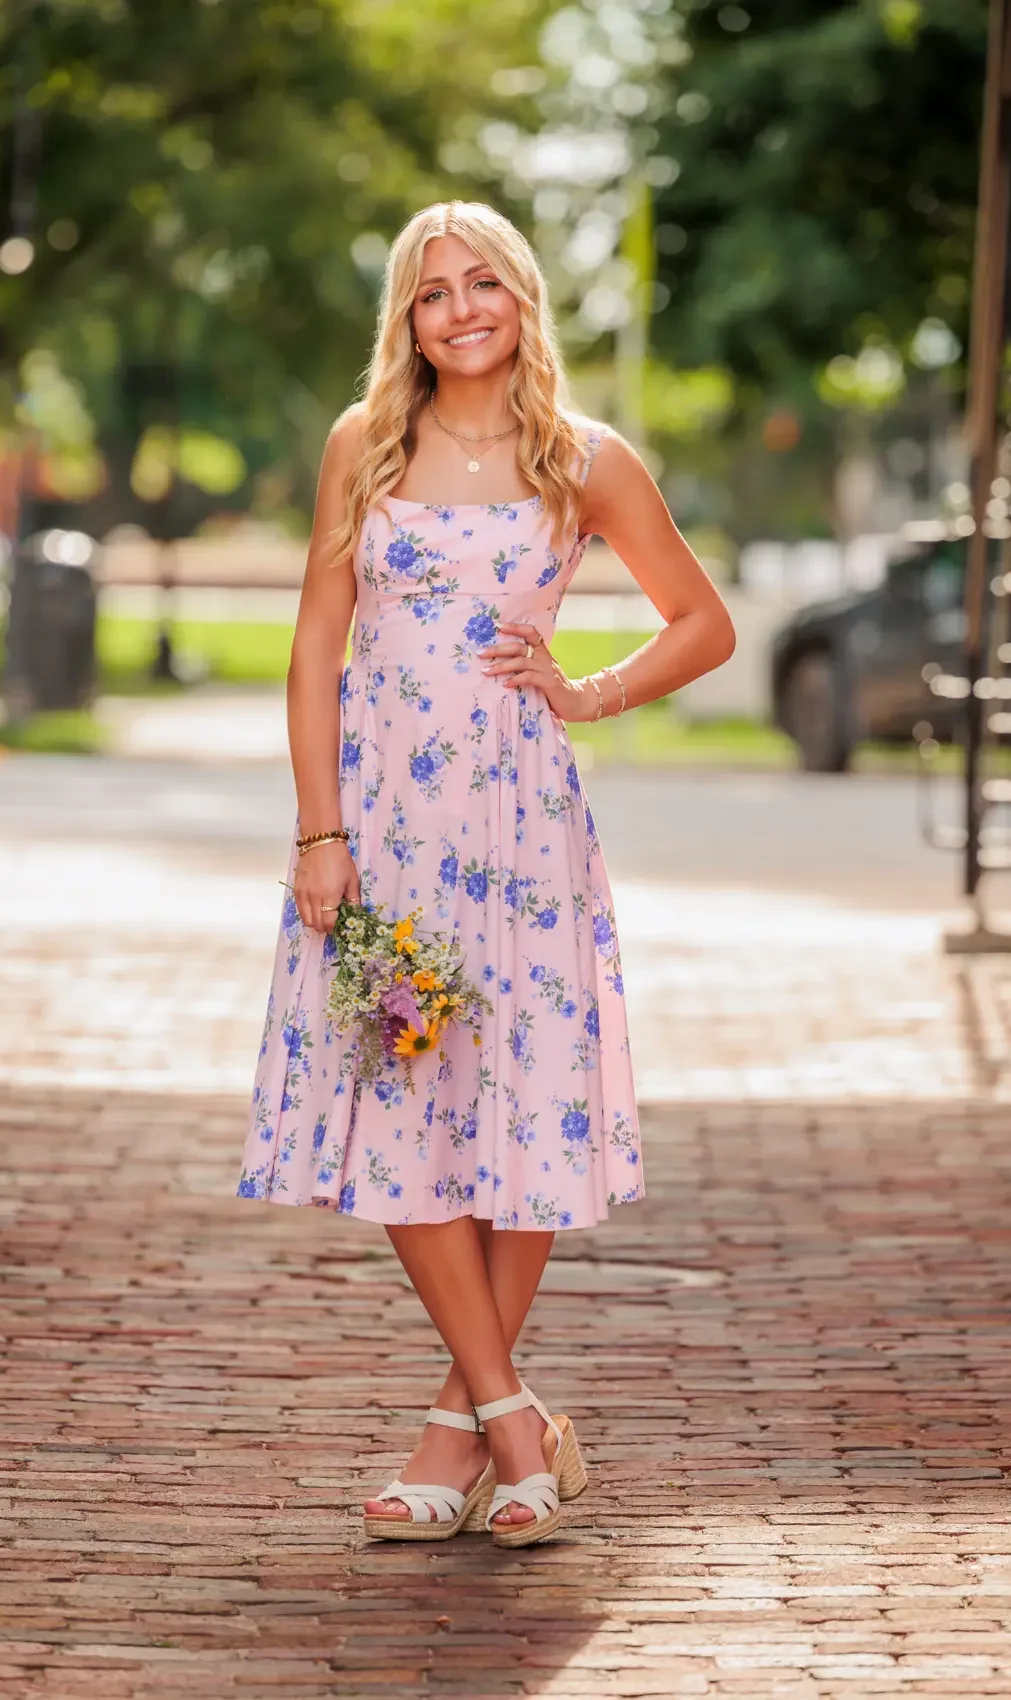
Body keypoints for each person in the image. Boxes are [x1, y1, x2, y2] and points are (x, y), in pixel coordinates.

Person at [237, 200, 735, 1546]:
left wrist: (593, 693)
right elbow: (315, 647)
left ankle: (459, 1429)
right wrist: (318, 832)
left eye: (482, 286)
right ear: (407, 319)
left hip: (525, 833)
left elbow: (707, 623)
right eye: (431, 293)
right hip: (389, 830)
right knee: (405, 1100)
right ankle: (518, 1424)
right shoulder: (365, 445)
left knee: (522, 1114)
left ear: (522, 299)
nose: (459, 311)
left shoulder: (586, 459)